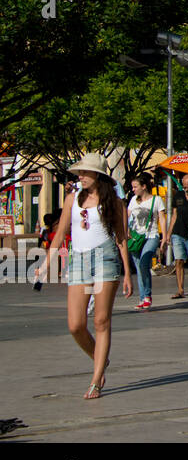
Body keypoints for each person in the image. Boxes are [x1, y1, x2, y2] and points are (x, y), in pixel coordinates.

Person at [34, 154, 132, 399]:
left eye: (85, 172)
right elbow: (60, 233)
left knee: (101, 321)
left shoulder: (115, 203)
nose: (81, 176)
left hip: (105, 259)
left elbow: (121, 238)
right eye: (79, 172)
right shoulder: (72, 199)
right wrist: (46, 263)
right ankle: (100, 359)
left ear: (98, 175)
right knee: (75, 325)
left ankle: (96, 379)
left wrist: (128, 273)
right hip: (78, 260)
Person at [126, 172, 165, 310]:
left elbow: (162, 218)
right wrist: (126, 231)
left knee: (143, 262)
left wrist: (164, 237)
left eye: (135, 186)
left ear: (143, 186)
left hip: (151, 235)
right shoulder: (133, 200)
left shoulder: (156, 200)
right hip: (136, 237)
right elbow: (127, 216)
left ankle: (147, 295)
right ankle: (143, 298)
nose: (133, 189)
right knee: (140, 268)